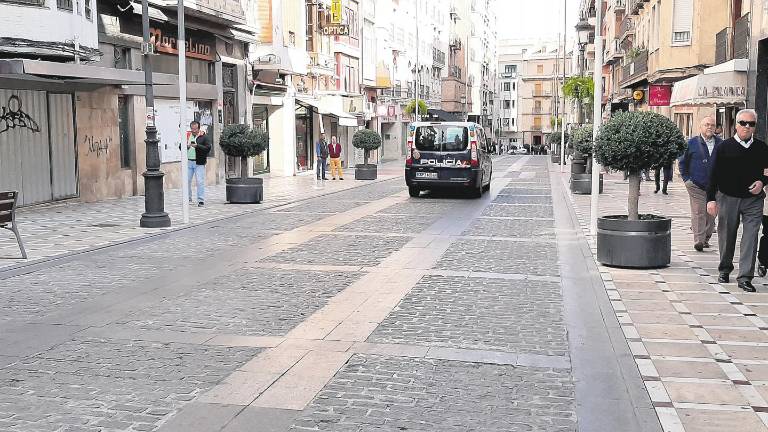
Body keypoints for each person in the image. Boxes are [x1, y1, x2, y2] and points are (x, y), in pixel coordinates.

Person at [707, 109, 768, 292]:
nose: (747, 127)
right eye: (743, 123)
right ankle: (725, 269)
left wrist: (762, 182)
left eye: (751, 124)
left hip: (754, 200)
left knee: (751, 237)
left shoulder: (762, 147)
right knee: (727, 235)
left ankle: (745, 277)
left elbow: (767, 171)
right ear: (736, 124)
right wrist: (711, 200)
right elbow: (713, 175)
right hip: (728, 198)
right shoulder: (723, 147)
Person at [680, 116, 722, 252]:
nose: (709, 127)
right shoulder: (691, 143)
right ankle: (698, 240)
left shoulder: (721, 144)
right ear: (700, 127)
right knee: (698, 212)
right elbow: (682, 163)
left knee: (711, 213)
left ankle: (706, 238)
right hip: (696, 185)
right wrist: (687, 180)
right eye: (706, 124)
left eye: (712, 125)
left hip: (716, 187)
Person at [187, 121, 211, 207]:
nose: (193, 131)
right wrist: (187, 146)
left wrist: (198, 146)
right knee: (187, 181)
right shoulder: (187, 136)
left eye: (195, 129)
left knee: (200, 181)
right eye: (192, 129)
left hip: (199, 162)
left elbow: (208, 148)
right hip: (189, 162)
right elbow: (180, 147)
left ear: (199, 128)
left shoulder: (203, 137)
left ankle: (200, 200)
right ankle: (188, 198)